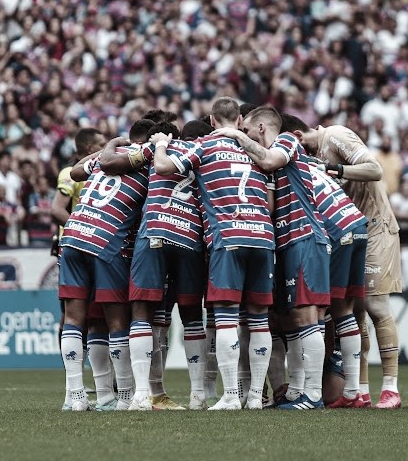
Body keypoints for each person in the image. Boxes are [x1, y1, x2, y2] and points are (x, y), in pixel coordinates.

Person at [151, 97, 276, 411]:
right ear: (239, 119)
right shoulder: (255, 150)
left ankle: (231, 395)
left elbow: (163, 167)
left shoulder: (204, 146)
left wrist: (162, 144)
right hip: (263, 237)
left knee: (226, 318)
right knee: (259, 320)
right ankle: (255, 398)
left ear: (211, 120)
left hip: (228, 237)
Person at [214, 106, 332, 410]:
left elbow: (269, 159)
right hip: (286, 241)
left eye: (250, 131)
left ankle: (314, 395)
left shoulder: (286, 143)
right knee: (292, 318)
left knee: (308, 316)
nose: (246, 137)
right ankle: (296, 391)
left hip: (305, 236)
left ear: (263, 127)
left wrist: (234, 135)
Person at [99, 118, 210, 410]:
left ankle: (142, 394)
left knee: (142, 312)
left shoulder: (154, 151)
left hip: (155, 233)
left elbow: (106, 164)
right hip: (189, 237)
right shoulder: (202, 151)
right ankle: (198, 394)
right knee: (191, 315)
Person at [291, 123, 403, 409]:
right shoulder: (312, 157)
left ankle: (391, 387)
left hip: (377, 227)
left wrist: (334, 169)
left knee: (377, 306)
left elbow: (374, 169)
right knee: (356, 312)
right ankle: (360, 389)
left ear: (299, 136)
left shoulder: (335, 135)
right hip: (352, 231)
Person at [58, 120, 151, 412]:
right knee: (117, 322)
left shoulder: (103, 160)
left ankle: (75, 397)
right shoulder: (149, 163)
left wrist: (108, 147)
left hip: (73, 235)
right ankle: (124, 397)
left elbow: (74, 173)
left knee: (73, 319)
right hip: (107, 241)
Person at [281, 113, 370, 408]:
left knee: (314, 311)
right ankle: (352, 393)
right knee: (343, 310)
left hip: (332, 231)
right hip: (356, 224)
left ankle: (311, 395)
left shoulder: (287, 162)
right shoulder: (312, 163)